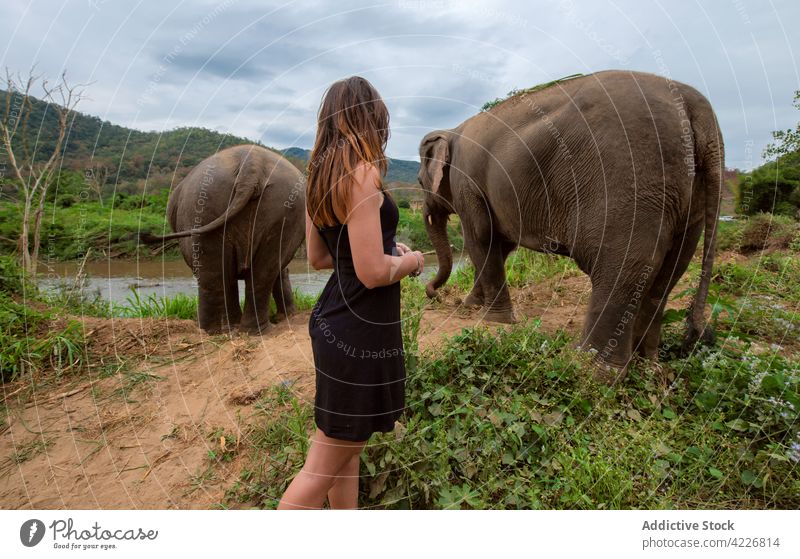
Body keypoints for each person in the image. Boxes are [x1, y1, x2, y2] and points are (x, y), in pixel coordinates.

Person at [277, 76, 424, 510]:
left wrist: (382, 248)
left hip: (334, 321)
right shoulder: (362, 175)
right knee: (322, 466)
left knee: (346, 447)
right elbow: (374, 273)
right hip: (359, 329)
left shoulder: (319, 176)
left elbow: (322, 257)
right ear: (370, 118)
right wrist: (412, 262)